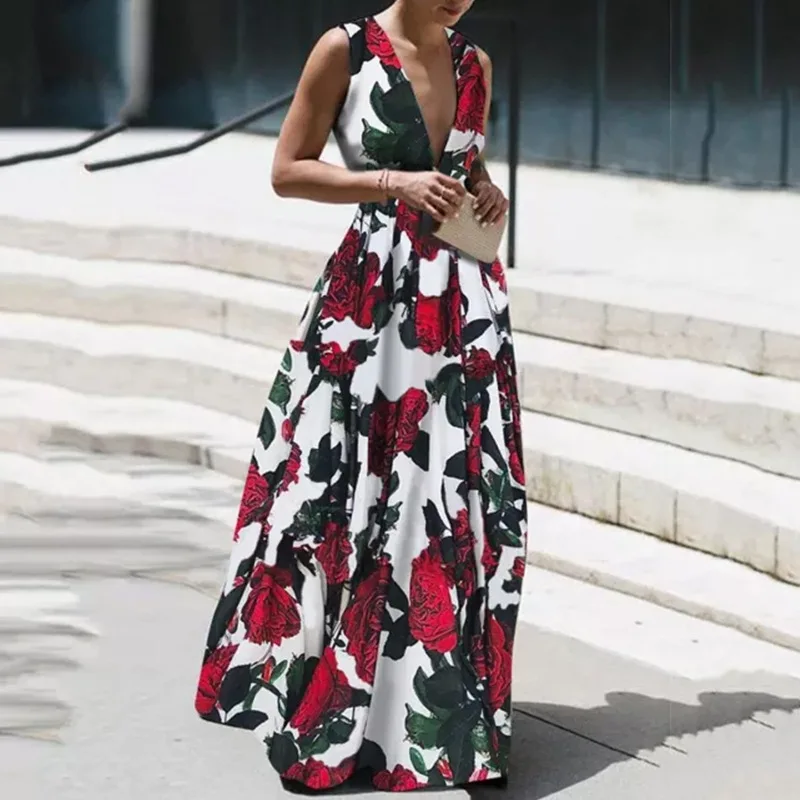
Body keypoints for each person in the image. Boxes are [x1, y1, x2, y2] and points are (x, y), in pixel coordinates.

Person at [193, 0, 527, 792]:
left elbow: (465, 169)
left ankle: (446, 719)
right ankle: (337, 714)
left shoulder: (476, 65)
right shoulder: (344, 49)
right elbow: (286, 169)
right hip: (370, 305)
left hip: (462, 313)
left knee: (455, 503)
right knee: (357, 496)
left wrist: (486, 194)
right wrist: (390, 181)